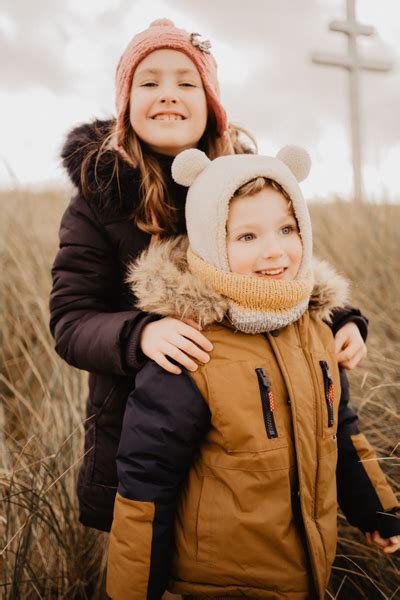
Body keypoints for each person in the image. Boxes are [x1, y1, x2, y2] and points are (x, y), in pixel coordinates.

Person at [49, 19, 368, 533]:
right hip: (143, 435)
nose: (168, 94)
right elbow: (70, 321)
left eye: (186, 81)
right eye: (149, 82)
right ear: (126, 104)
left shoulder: (249, 179)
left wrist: (343, 320)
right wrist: (141, 332)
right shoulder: (98, 201)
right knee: (150, 557)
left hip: (248, 433)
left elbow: (284, 268)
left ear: (212, 102)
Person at [106, 147, 400, 600]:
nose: (274, 251)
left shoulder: (316, 329)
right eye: (247, 237)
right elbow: (147, 482)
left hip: (306, 571)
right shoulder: (190, 348)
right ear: (209, 240)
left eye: (287, 228)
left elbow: (339, 429)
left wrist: (376, 511)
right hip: (218, 585)